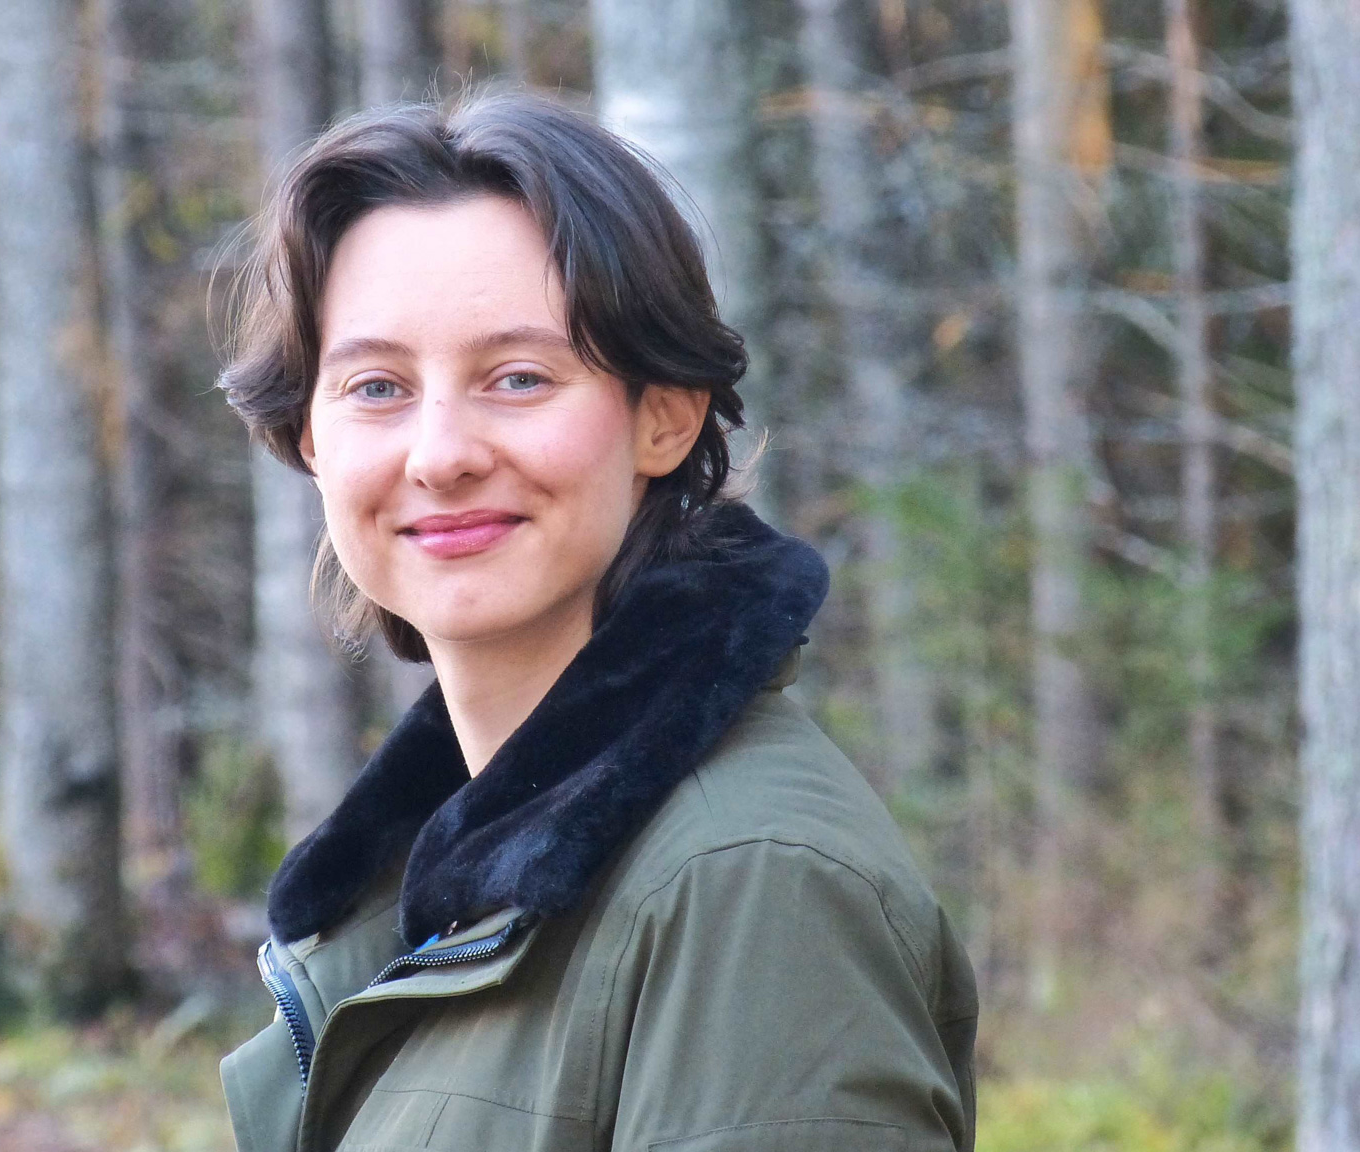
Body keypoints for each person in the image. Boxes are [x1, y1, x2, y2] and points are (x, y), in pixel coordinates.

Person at [215, 89, 976, 1152]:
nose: (439, 453)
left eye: (517, 377)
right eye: (377, 387)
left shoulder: (748, 882)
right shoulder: (436, 886)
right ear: (307, 440)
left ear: (663, 416)